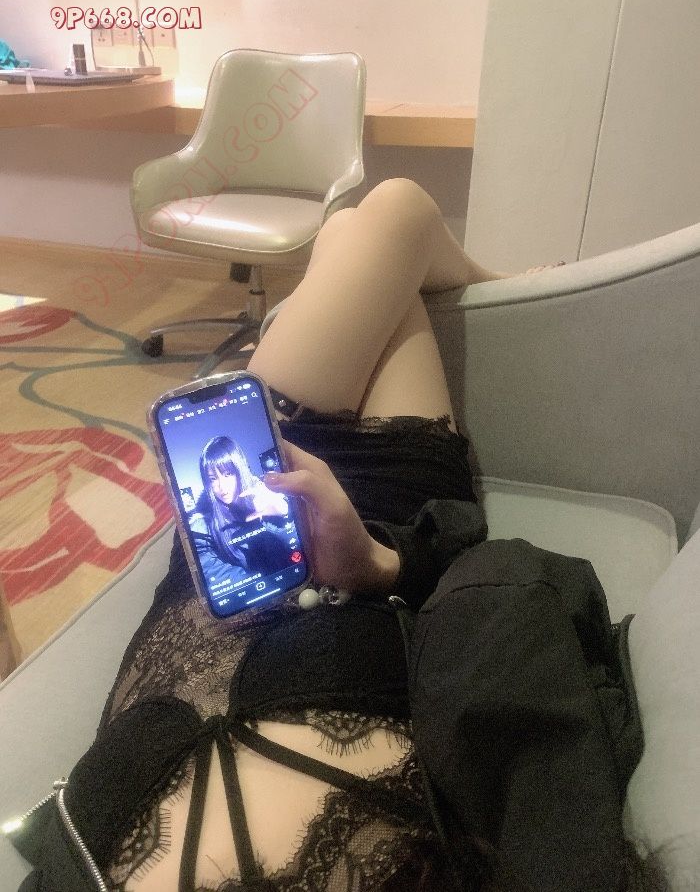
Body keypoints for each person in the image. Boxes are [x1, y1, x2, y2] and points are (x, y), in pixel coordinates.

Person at [10, 179, 651, 892]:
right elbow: (505, 607)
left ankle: (493, 283)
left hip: (270, 469)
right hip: (385, 523)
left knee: (363, 226)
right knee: (392, 212)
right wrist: (378, 564)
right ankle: (502, 287)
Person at [190, 435, 291, 587]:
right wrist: (270, 586)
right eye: (213, 479)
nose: (221, 486)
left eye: (227, 474)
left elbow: (297, 549)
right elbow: (217, 574)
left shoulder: (267, 496)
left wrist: (284, 514)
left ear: (239, 470)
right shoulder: (202, 528)